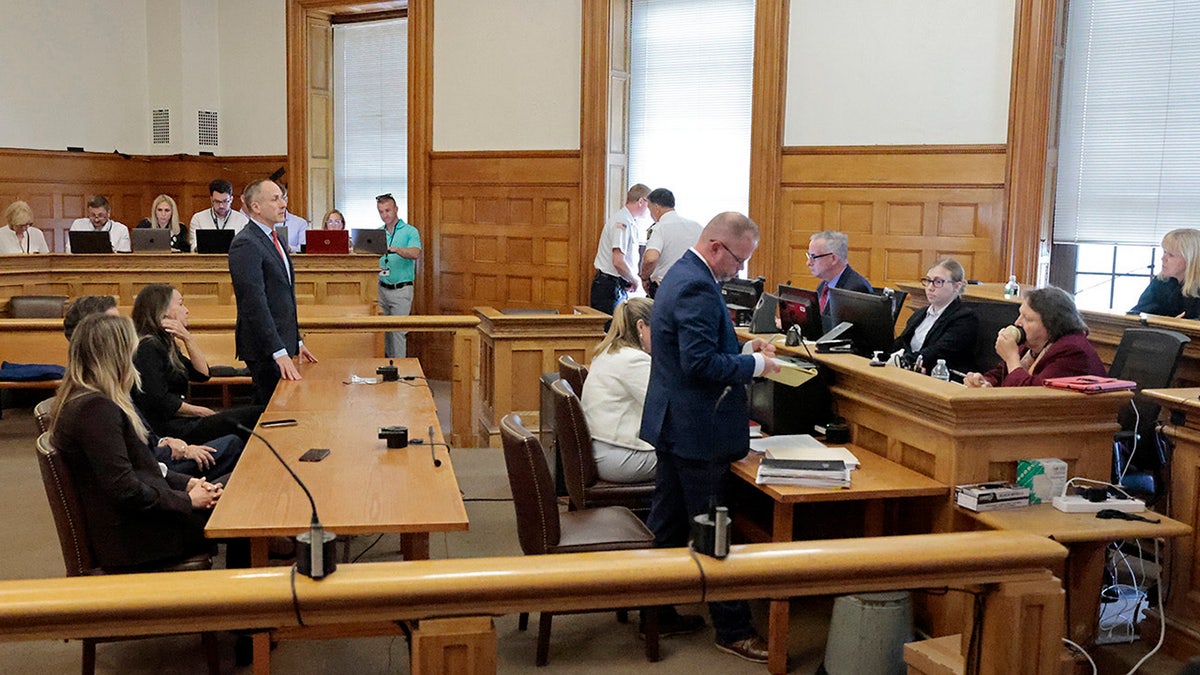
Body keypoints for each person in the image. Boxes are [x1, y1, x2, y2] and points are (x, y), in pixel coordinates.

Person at [639, 212, 779, 663]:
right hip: (698, 430)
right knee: (714, 532)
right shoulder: (698, 285)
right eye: (738, 261)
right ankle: (734, 630)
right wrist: (756, 366)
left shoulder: (682, 273)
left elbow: (689, 353)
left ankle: (655, 614)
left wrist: (740, 350)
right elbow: (699, 365)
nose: (738, 272)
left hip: (675, 423)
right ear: (717, 247)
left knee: (668, 527)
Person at [48, 313, 224, 572]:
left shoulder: (87, 398)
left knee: (230, 493)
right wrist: (187, 501)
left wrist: (185, 483)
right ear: (118, 356)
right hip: (138, 539)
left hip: (141, 521)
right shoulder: (95, 409)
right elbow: (125, 489)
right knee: (237, 505)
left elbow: (141, 464)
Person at [131, 283, 263, 444]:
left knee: (256, 414)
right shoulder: (147, 347)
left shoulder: (164, 344)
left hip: (183, 420)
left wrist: (188, 338)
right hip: (170, 428)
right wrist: (199, 411)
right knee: (256, 415)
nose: (186, 310)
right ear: (163, 311)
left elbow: (202, 374)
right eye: (180, 304)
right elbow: (159, 400)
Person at [228, 179, 317, 404]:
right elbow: (254, 303)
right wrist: (277, 350)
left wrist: (296, 340)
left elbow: (283, 297)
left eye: (282, 197)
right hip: (265, 348)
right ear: (256, 207)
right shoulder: (246, 243)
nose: (283, 204)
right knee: (271, 411)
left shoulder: (273, 239)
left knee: (287, 407)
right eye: (275, 199)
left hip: (282, 342)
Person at [965, 286, 1105, 388]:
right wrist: (984, 382)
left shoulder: (1072, 350)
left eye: (1027, 318)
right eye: (1020, 314)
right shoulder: (1030, 346)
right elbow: (1001, 374)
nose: (1017, 322)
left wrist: (1012, 358)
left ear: (1051, 324)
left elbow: (1031, 394)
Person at [581, 297, 656, 483]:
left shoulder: (609, 351)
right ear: (641, 327)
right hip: (620, 456)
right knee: (694, 458)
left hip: (602, 449)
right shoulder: (634, 360)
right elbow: (663, 407)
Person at [893, 258, 979, 373]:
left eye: (938, 282)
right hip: (909, 371)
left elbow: (938, 352)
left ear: (957, 286)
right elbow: (902, 342)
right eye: (928, 281)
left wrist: (902, 361)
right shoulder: (920, 314)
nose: (930, 287)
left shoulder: (965, 318)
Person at [590, 184, 650, 314]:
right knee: (611, 331)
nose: (649, 208)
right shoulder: (622, 221)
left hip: (616, 285)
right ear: (641, 201)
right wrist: (635, 280)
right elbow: (618, 261)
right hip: (609, 287)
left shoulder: (629, 220)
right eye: (648, 203)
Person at [375, 192, 421, 358]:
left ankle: (399, 370)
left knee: (398, 332)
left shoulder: (410, 231)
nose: (385, 215)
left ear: (396, 209)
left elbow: (416, 253)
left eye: (388, 210)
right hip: (381, 288)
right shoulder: (378, 233)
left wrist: (396, 250)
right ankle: (387, 368)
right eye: (381, 212)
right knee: (382, 332)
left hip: (401, 289)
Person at [639, 188, 702, 298]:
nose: (650, 215)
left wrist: (644, 277)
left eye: (650, 210)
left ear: (656, 208)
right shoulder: (697, 227)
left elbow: (650, 258)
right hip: (693, 289)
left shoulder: (660, 228)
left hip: (665, 288)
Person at [1129, 228, 1200, 319]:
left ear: (1191, 260)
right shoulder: (1161, 281)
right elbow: (1140, 312)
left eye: (1171, 255)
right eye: (1164, 252)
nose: (1163, 258)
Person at [808, 231, 873, 321]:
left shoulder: (855, 290)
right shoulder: (823, 286)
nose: (808, 263)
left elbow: (846, 332)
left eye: (813, 257)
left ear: (833, 258)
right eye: (808, 256)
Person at [189, 179, 249, 251]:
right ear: (211, 200)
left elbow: (246, 248)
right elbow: (194, 247)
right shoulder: (198, 218)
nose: (221, 206)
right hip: (206, 261)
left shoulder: (242, 220)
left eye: (225, 201)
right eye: (217, 201)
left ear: (231, 199)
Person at [280, 186, 308, 253]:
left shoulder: (300, 223)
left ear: (286, 200)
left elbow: (303, 248)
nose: (280, 204)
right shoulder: (263, 221)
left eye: (282, 199)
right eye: (274, 200)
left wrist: (290, 248)